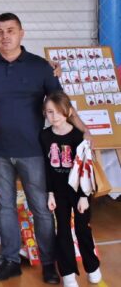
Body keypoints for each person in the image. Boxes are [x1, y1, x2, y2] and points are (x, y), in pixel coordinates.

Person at [0, 13, 88, 283]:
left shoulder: (41, 67)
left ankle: (48, 263)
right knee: (4, 207)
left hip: (35, 151)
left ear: (21, 33)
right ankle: (11, 260)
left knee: (41, 208)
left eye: (10, 30)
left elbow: (61, 103)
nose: (5, 36)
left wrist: (84, 131)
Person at [40, 92, 102, 287]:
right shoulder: (45, 136)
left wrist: (83, 196)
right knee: (63, 231)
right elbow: (46, 168)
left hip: (79, 192)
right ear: (45, 113)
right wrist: (50, 193)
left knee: (83, 229)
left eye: (59, 111)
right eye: (50, 112)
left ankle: (92, 267)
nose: (54, 116)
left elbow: (85, 169)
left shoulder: (78, 136)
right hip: (59, 193)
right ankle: (67, 274)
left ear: (68, 111)